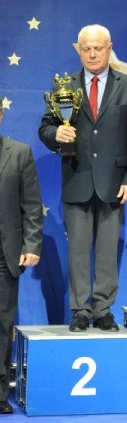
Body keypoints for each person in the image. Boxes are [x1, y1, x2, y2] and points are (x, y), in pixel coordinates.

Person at [39, 24, 127, 332]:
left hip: (115, 182)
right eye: (86, 48)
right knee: (78, 250)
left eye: (98, 48)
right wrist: (56, 134)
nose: (92, 53)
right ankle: (80, 310)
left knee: (107, 250)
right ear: (79, 50)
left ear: (109, 48)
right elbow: (45, 128)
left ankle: (102, 309)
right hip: (77, 178)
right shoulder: (64, 85)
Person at [0, 98, 42, 414]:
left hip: (6, 256)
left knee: (2, 325)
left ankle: (0, 393)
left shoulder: (20, 153)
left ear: (1, 114)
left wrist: (31, 246)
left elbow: (32, 207)